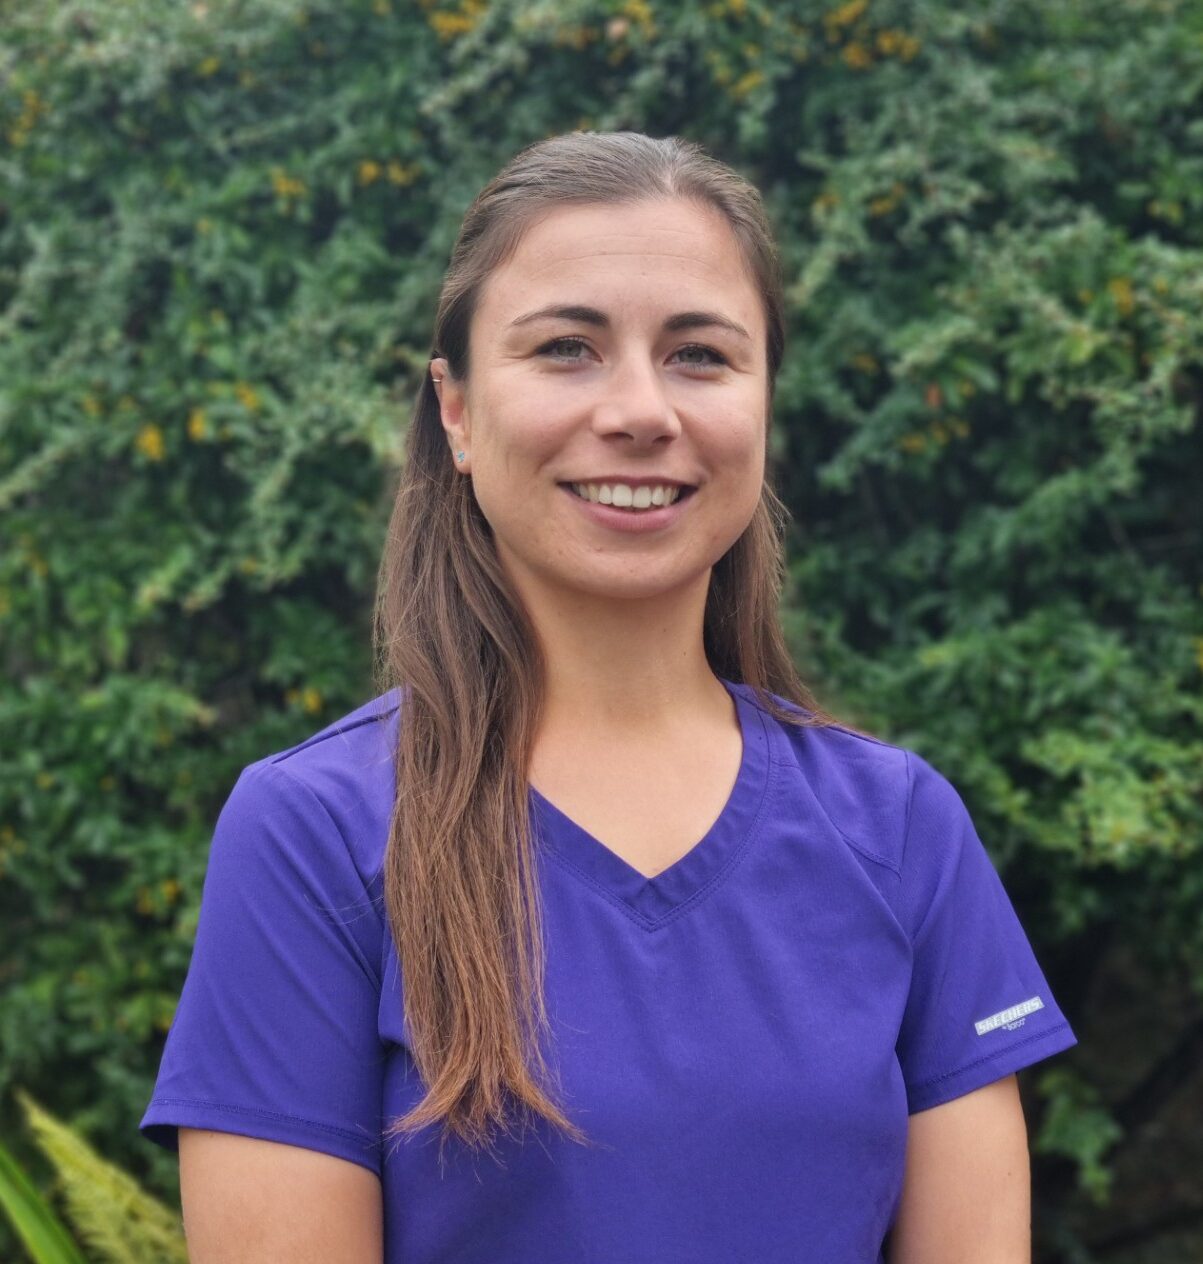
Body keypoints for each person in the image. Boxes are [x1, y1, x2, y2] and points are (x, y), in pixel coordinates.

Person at [139, 130, 1078, 1262]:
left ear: (764, 401)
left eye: (699, 356)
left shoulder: (902, 827)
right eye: (568, 348)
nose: (641, 409)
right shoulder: (314, 835)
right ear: (457, 410)